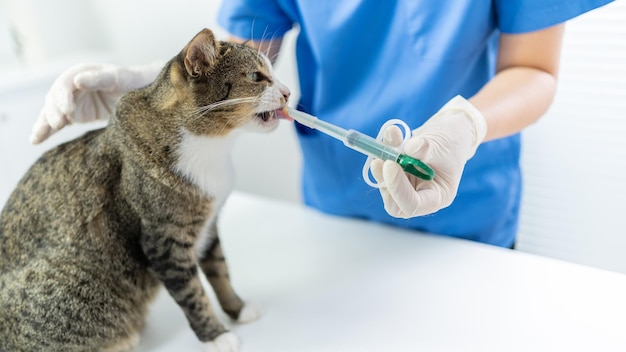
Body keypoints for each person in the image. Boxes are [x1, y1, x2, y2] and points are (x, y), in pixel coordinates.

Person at [31, 0, 612, 248]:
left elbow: (534, 69)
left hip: (468, 209)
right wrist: (162, 95)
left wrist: (464, 126)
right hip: (337, 205)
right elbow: (246, 61)